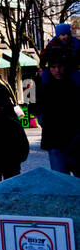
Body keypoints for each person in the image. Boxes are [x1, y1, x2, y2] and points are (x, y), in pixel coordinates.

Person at [35, 48, 80, 176]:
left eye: (60, 67)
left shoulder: (75, 85)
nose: (57, 70)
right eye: (53, 67)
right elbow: (33, 106)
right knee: (61, 180)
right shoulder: (42, 85)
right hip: (54, 139)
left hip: (75, 139)